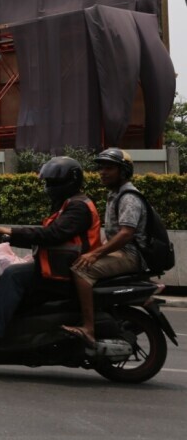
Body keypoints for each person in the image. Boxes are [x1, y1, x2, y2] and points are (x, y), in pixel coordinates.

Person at [0, 157, 101, 347]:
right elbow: (48, 238)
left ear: (69, 181)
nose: (49, 186)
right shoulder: (68, 203)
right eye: (48, 181)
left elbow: (53, 234)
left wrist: (12, 231)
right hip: (59, 265)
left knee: (12, 275)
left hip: (66, 270)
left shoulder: (78, 207)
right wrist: (9, 238)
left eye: (53, 181)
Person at [62, 148, 149, 347]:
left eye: (109, 168)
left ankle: (89, 328)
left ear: (124, 171)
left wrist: (95, 254)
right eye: (101, 168)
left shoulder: (128, 196)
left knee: (81, 270)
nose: (102, 172)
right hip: (122, 252)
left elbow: (126, 233)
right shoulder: (115, 194)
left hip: (131, 255)